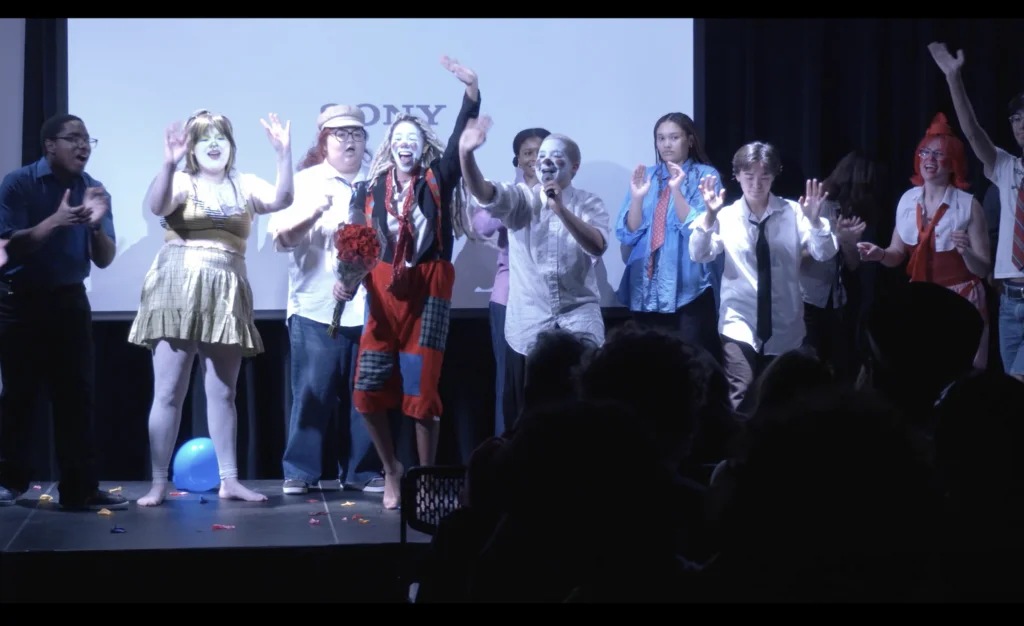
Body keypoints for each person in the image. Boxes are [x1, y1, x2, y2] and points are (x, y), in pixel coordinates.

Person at [127, 109, 294, 506]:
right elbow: (158, 205)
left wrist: (284, 154)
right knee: (168, 392)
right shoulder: (182, 180)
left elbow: (282, 198)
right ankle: (158, 483)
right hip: (177, 284)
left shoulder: (244, 183)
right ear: (192, 149)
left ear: (232, 146)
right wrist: (167, 165)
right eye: (204, 138)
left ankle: (230, 480)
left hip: (226, 287)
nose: (214, 144)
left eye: (221, 137)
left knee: (223, 392)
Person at [344, 55, 480, 509]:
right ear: (389, 145)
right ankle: (392, 470)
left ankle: (422, 478)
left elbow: (461, 138)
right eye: (399, 138)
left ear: (422, 147)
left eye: (413, 139)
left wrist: (471, 92)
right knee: (366, 391)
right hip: (382, 294)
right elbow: (355, 245)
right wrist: (346, 280)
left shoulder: (438, 179)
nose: (405, 145)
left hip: (428, 291)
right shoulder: (367, 190)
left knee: (422, 392)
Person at [0, 113, 127, 510]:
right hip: (18, 301)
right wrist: (54, 221)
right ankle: (9, 482)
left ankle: (80, 489)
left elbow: (104, 259)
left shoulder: (93, 189)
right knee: (19, 396)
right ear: (49, 144)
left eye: (89, 140)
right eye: (74, 138)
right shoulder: (19, 184)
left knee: (77, 397)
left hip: (70, 302)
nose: (84, 147)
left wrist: (94, 226)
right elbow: (8, 250)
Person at [459, 116, 611, 426]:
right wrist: (466, 154)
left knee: (582, 410)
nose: (545, 164)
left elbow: (597, 245)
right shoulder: (522, 200)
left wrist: (561, 210)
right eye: (541, 158)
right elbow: (485, 193)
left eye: (556, 158)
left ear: (574, 166)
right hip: (528, 323)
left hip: (578, 321)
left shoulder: (589, 203)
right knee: (527, 416)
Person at [270, 103, 384, 495]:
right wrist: (313, 213)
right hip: (315, 304)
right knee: (313, 391)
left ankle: (363, 470)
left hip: (370, 306)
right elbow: (280, 238)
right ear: (323, 140)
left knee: (365, 393)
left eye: (357, 134)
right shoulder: (305, 181)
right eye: (340, 134)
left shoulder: (380, 181)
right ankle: (300, 471)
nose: (349, 141)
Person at [689, 141, 836, 413]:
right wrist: (709, 217)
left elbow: (825, 252)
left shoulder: (794, 212)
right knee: (741, 390)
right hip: (738, 321)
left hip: (786, 323)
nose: (756, 184)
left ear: (774, 176)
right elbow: (700, 254)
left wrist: (815, 221)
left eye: (764, 177)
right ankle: (736, 451)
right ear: (737, 176)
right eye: (749, 177)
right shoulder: (727, 215)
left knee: (783, 397)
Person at [857, 114, 990, 369]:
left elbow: (983, 268)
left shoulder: (968, 206)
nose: (929, 160)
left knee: (961, 373)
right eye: (925, 152)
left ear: (953, 164)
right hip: (920, 299)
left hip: (960, 299)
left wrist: (966, 252)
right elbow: (896, 253)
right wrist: (879, 254)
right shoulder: (907, 201)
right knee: (921, 370)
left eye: (939, 155)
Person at [929, 42, 1024, 381]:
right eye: (1016, 118)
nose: (1020, 124)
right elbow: (971, 131)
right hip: (1010, 301)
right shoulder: (1006, 167)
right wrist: (953, 78)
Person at [615, 112, 723, 361]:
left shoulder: (704, 175)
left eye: (674, 137)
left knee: (689, 363)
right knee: (647, 363)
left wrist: (676, 191)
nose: (666, 144)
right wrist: (638, 198)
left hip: (687, 286)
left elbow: (697, 228)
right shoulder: (648, 176)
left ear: (690, 140)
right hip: (645, 285)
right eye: (661, 138)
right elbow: (629, 233)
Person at [469, 127, 549, 436]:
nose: (534, 159)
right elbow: (481, 226)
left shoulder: (563, 193)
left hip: (551, 301)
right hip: (509, 296)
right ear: (517, 159)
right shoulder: (505, 192)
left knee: (547, 381)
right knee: (508, 382)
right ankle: (506, 451)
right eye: (528, 153)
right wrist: (516, 195)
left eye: (541, 152)